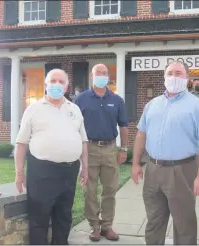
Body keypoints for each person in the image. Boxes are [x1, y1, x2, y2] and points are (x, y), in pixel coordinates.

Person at [131, 61, 199, 245]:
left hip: (182, 171)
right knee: (154, 221)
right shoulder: (152, 105)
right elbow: (141, 134)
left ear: (186, 78)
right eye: (170, 73)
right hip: (153, 170)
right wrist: (136, 163)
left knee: (183, 225)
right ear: (164, 77)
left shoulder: (197, 106)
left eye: (179, 73)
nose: (174, 76)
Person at [14, 69, 89, 245]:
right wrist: (19, 172)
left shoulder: (75, 109)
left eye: (61, 82)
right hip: (42, 171)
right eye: (52, 81)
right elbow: (21, 143)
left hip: (69, 171)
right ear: (46, 85)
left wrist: (85, 167)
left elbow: (83, 140)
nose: (56, 84)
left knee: (63, 216)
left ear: (66, 86)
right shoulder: (33, 109)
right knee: (39, 218)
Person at [75, 64, 129, 242]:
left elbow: (124, 126)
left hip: (110, 149)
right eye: (98, 73)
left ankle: (107, 226)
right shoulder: (81, 99)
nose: (102, 76)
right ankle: (94, 227)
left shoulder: (117, 100)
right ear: (92, 76)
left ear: (108, 76)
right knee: (89, 190)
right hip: (88, 149)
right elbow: (75, 126)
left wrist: (123, 149)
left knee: (110, 189)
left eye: (105, 73)